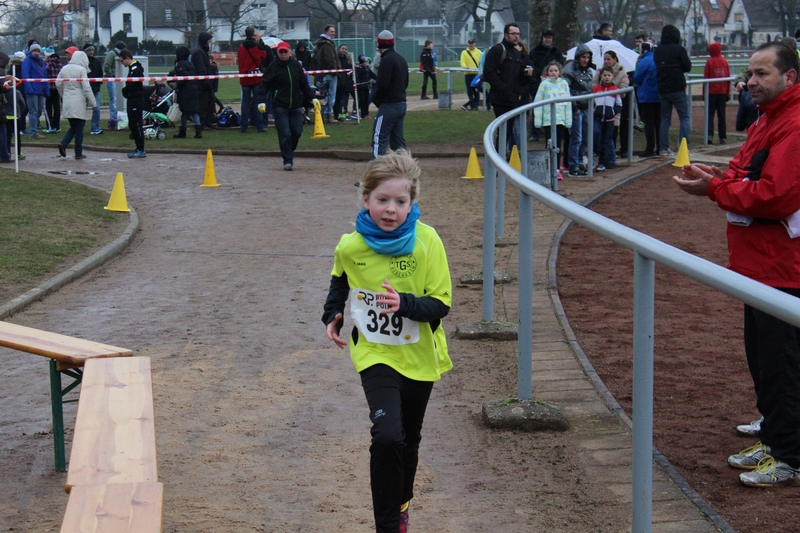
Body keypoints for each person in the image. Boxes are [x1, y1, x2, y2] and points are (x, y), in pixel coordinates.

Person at [672, 41, 800, 488]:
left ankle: (789, 455)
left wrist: (713, 190)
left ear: (790, 77)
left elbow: (776, 196)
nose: (751, 82)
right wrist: (716, 178)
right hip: (760, 264)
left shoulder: (793, 124)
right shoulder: (767, 120)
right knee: (764, 361)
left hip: (784, 268)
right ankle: (774, 437)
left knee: (782, 364)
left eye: (763, 73)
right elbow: (747, 174)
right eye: (750, 73)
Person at [322, 149, 452, 533]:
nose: (391, 209)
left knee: (407, 442)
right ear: (366, 199)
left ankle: (402, 504)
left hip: (420, 356)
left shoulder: (427, 241)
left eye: (400, 201)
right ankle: (388, 526)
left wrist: (404, 304)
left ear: (412, 203)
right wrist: (333, 313)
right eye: (382, 200)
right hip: (375, 352)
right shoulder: (351, 245)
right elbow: (340, 277)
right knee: (387, 437)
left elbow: (441, 304)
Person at [259, 41, 316, 171]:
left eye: (285, 52)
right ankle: (288, 159)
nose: (283, 54)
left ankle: (289, 150)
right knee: (284, 132)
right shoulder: (273, 67)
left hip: (296, 105)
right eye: (281, 52)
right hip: (280, 105)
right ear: (278, 53)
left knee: (297, 131)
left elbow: (304, 85)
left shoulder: (296, 66)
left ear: (290, 52)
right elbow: (265, 85)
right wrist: (261, 100)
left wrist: (312, 97)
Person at [483, 23, 535, 153]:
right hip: (500, 99)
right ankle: (497, 158)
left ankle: (502, 157)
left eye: (518, 34)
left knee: (508, 132)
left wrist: (525, 73)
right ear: (506, 35)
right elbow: (488, 72)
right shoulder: (497, 50)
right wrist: (503, 89)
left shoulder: (516, 53)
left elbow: (516, 73)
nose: (517, 36)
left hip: (513, 100)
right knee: (503, 131)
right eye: (513, 34)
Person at [654, 24, 691, 156]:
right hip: (678, 87)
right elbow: (687, 67)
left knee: (665, 119)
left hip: (663, 88)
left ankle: (664, 148)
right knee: (684, 117)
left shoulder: (657, 50)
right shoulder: (679, 49)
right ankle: (684, 147)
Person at [371, 30, 409, 159]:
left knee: (379, 139)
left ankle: (375, 169)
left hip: (389, 105)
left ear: (379, 44)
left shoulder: (386, 60)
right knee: (398, 142)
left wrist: (376, 98)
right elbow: (405, 82)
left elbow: (382, 85)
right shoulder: (401, 59)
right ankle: (405, 168)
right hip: (401, 103)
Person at [533, 61, 571, 178]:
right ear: (547, 72)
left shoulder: (564, 84)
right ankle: (548, 168)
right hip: (548, 120)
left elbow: (568, 103)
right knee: (549, 144)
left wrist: (568, 120)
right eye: (551, 71)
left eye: (555, 70)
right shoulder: (544, 85)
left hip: (560, 120)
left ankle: (557, 169)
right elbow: (538, 102)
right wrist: (538, 121)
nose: (553, 73)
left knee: (558, 145)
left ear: (559, 72)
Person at [55, 50, 96, 160]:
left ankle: (65, 144)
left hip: (67, 100)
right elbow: (86, 87)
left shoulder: (64, 68)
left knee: (74, 126)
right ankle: (76, 152)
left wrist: (63, 94)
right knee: (79, 128)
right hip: (78, 101)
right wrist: (93, 101)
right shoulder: (81, 70)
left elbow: (57, 83)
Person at [563, 43, 594, 176]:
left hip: (587, 108)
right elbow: (566, 88)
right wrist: (574, 107)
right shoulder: (570, 69)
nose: (585, 60)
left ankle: (580, 162)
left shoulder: (589, 71)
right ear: (578, 57)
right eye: (583, 57)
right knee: (576, 138)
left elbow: (590, 89)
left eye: (587, 57)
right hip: (575, 109)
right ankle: (573, 165)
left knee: (585, 138)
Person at [592, 51, 628, 156]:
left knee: (613, 131)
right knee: (598, 131)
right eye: (604, 59)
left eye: (608, 59)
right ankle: (601, 152)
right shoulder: (599, 72)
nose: (606, 61)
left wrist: (613, 89)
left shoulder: (621, 72)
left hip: (613, 103)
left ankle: (612, 154)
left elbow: (624, 87)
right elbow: (594, 84)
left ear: (615, 59)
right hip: (600, 104)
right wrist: (600, 88)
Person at [592, 66, 622, 171]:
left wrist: (612, 113)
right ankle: (601, 158)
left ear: (612, 76)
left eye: (609, 75)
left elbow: (619, 104)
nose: (607, 77)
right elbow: (592, 102)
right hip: (597, 118)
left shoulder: (615, 90)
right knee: (596, 134)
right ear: (601, 76)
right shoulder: (596, 89)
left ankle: (608, 161)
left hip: (609, 119)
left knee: (607, 140)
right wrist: (594, 111)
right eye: (605, 75)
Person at [238, 27, 267, 133]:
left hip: (245, 76)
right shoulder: (258, 46)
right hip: (256, 76)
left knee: (245, 102)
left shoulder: (241, 47)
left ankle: (243, 126)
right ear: (253, 35)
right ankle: (259, 125)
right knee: (257, 101)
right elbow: (264, 56)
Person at [633, 42, 660, 157]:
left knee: (648, 122)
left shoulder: (644, 61)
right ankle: (660, 147)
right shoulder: (658, 59)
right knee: (658, 122)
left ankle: (650, 148)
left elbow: (637, 78)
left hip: (646, 96)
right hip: (659, 95)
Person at [170, 46, 202, 139]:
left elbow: (184, 76)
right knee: (194, 112)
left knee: (184, 111)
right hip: (194, 90)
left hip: (185, 91)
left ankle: (183, 131)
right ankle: (198, 130)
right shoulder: (190, 64)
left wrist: (176, 84)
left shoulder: (180, 65)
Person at [119, 49, 146, 158]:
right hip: (132, 99)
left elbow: (132, 86)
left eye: (122, 61)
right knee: (133, 124)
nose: (121, 63)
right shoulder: (132, 69)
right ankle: (138, 147)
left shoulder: (135, 70)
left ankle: (141, 149)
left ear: (127, 58)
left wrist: (125, 91)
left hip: (136, 100)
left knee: (137, 124)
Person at [704, 42, 729, 145]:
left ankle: (709, 135)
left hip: (711, 92)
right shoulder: (724, 62)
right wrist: (727, 93)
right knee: (721, 115)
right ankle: (722, 137)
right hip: (722, 92)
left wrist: (704, 93)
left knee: (710, 115)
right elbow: (728, 79)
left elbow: (706, 78)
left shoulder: (709, 62)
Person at [22, 42, 49, 139]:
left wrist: (46, 90)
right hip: (32, 91)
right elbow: (25, 75)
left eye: (38, 51)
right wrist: (29, 89)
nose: (36, 53)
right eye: (35, 51)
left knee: (39, 111)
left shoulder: (41, 61)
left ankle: (34, 129)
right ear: (31, 51)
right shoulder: (27, 61)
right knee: (33, 111)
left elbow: (45, 76)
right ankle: (33, 132)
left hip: (41, 91)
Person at [314, 25, 340, 124]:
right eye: (331, 31)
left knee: (325, 95)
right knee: (330, 95)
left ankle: (325, 115)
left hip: (323, 73)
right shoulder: (328, 45)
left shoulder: (321, 44)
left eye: (334, 31)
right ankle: (327, 115)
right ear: (326, 32)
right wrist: (335, 70)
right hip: (330, 73)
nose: (333, 33)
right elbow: (330, 59)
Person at [191, 31, 216, 130]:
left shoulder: (201, 50)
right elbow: (201, 68)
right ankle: (202, 123)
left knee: (210, 102)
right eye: (209, 40)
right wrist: (206, 82)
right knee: (203, 104)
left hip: (205, 81)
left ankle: (208, 122)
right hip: (202, 83)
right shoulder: (199, 52)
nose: (210, 42)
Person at [83, 44, 104, 135]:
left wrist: (98, 84)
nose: (91, 52)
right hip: (84, 90)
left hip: (95, 89)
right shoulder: (83, 63)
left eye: (92, 50)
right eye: (89, 50)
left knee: (97, 109)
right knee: (82, 109)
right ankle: (79, 127)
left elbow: (100, 74)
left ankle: (94, 127)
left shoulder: (97, 62)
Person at [103, 41, 124, 130]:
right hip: (111, 79)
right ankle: (113, 118)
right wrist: (111, 75)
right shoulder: (111, 54)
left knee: (116, 98)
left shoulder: (116, 54)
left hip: (116, 78)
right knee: (113, 99)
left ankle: (117, 116)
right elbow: (106, 66)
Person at [459, 40, 482, 111]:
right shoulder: (464, 52)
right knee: (469, 91)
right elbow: (462, 61)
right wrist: (465, 66)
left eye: (472, 43)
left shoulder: (479, 52)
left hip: (476, 74)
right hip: (468, 74)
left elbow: (482, 61)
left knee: (476, 90)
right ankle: (472, 105)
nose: (471, 45)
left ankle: (475, 106)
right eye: (470, 44)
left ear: (474, 44)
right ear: (468, 44)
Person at [335, 44, 354, 121]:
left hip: (344, 81)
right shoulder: (336, 58)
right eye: (343, 48)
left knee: (341, 99)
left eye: (345, 49)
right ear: (339, 49)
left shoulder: (346, 58)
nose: (344, 50)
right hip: (337, 80)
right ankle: (336, 115)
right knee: (336, 99)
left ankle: (340, 114)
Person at [44, 51, 62, 133]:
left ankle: (50, 126)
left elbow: (44, 72)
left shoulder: (48, 64)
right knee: (57, 108)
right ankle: (57, 126)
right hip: (57, 88)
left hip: (49, 88)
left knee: (48, 108)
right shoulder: (60, 65)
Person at [355, 54, 376, 119]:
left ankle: (367, 114)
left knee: (366, 100)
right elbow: (356, 77)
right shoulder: (358, 69)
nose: (366, 63)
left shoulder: (367, 68)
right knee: (362, 100)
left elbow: (372, 74)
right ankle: (362, 114)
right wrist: (358, 83)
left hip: (366, 86)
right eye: (365, 62)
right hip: (361, 87)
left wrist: (378, 78)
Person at [0, 51, 10, 163]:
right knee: (2, 131)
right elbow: (1, 87)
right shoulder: (1, 71)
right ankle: (3, 155)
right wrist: (8, 86)